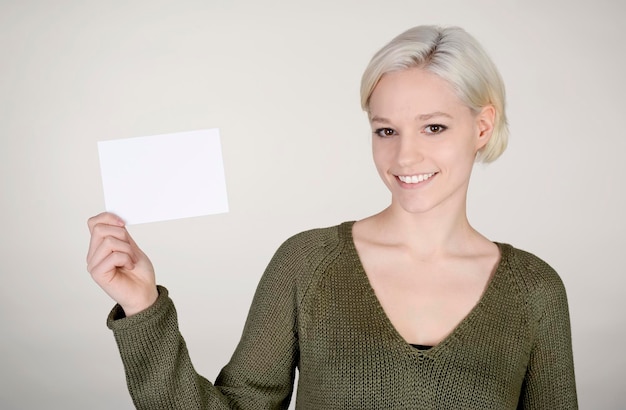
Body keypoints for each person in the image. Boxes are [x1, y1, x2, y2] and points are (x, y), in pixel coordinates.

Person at [87, 25, 578, 409]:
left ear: (482, 126)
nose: (405, 157)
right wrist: (143, 308)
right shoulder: (308, 264)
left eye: (433, 127)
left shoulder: (534, 291)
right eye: (386, 131)